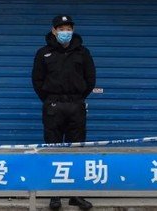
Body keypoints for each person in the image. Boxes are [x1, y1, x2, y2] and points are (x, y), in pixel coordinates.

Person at [32, 15, 96, 211]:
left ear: (73, 30)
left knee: (76, 151)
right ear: (54, 31)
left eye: (68, 28)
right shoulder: (43, 53)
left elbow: (90, 79)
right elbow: (37, 81)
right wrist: (51, 99)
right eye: (61, 29)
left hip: (76, 105)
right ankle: (55, 195)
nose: (65, 32)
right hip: (53, 106)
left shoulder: (83, 53)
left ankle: (75, 195)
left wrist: (77, 98)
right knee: (53, 149)